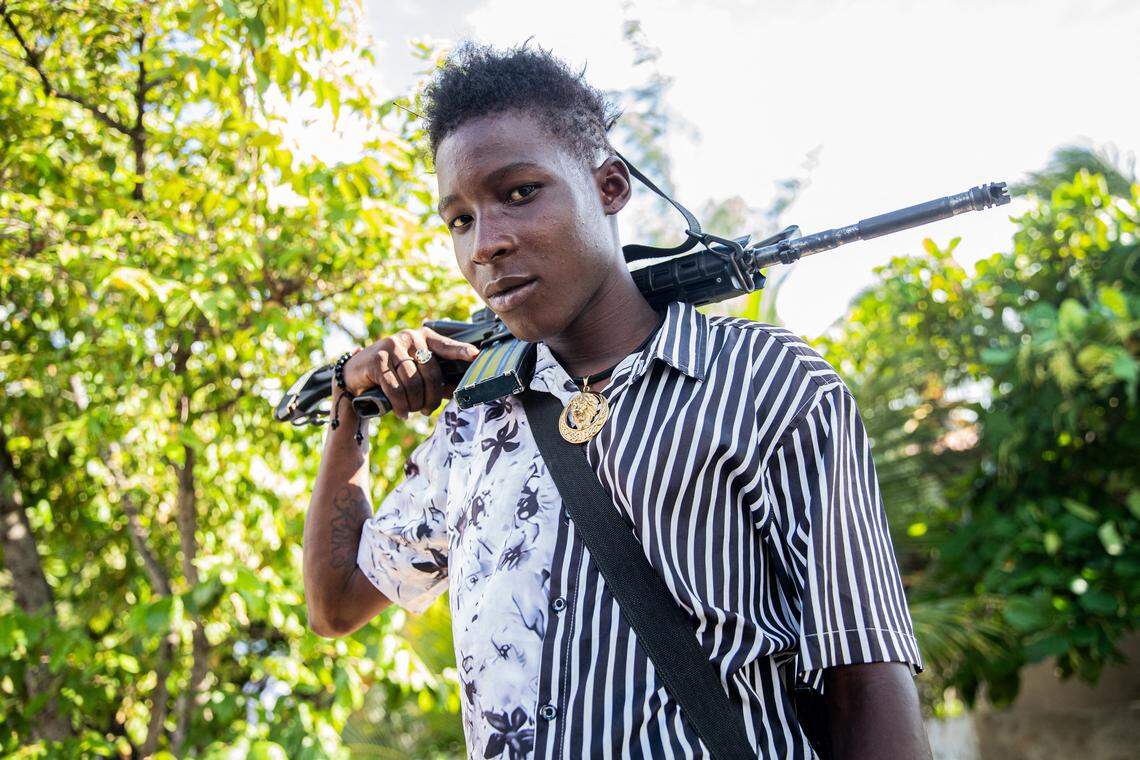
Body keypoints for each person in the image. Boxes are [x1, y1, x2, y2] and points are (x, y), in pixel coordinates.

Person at [303, 41, 932, 760]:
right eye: (460, 220)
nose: (486, 245)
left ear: (609, 186)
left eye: (518, 193)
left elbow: (866, 675)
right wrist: (352, 411)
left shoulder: (767, 383)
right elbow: (337, 603)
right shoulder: (477, 421)